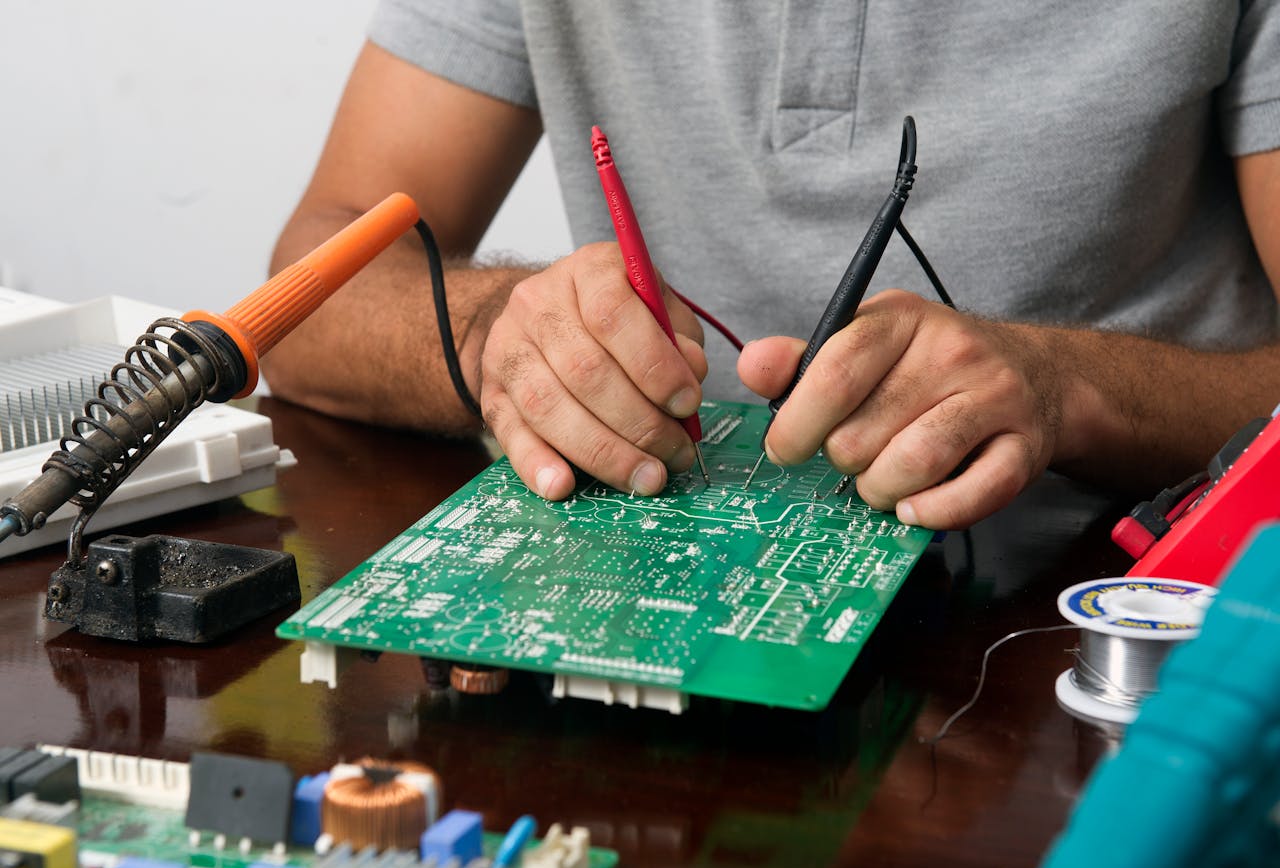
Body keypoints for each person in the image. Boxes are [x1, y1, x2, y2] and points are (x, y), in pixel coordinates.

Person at [264, 3, 1280, 531]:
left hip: (1101, 610)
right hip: (650, 574)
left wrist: (1071, 393)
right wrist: (497, 343)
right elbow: (304, 302)